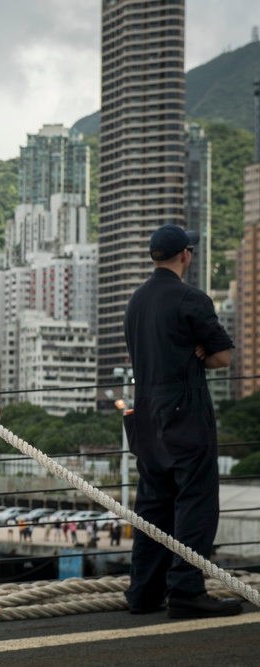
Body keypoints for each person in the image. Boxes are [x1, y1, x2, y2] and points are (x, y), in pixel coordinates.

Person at [123, 224, 243, 620]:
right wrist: (198, 355)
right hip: (184, 415)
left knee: (152, 505)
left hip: (146, 416)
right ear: (186, 255)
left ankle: (143, 592)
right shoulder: (192, 298)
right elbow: (223, 357)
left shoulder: (136, 302)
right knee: (196, 502)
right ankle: (187, 590)